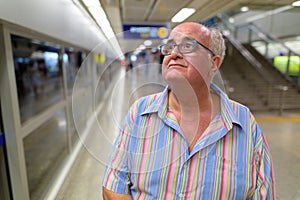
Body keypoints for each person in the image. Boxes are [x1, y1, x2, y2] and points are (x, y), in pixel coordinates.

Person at [102, 22, 276, 199]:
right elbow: (114, 185)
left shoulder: (244, 122)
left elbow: (263, 193)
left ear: (213, 63)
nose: (174, 54)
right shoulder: (139, 113)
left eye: (187, 46)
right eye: (169, 47)